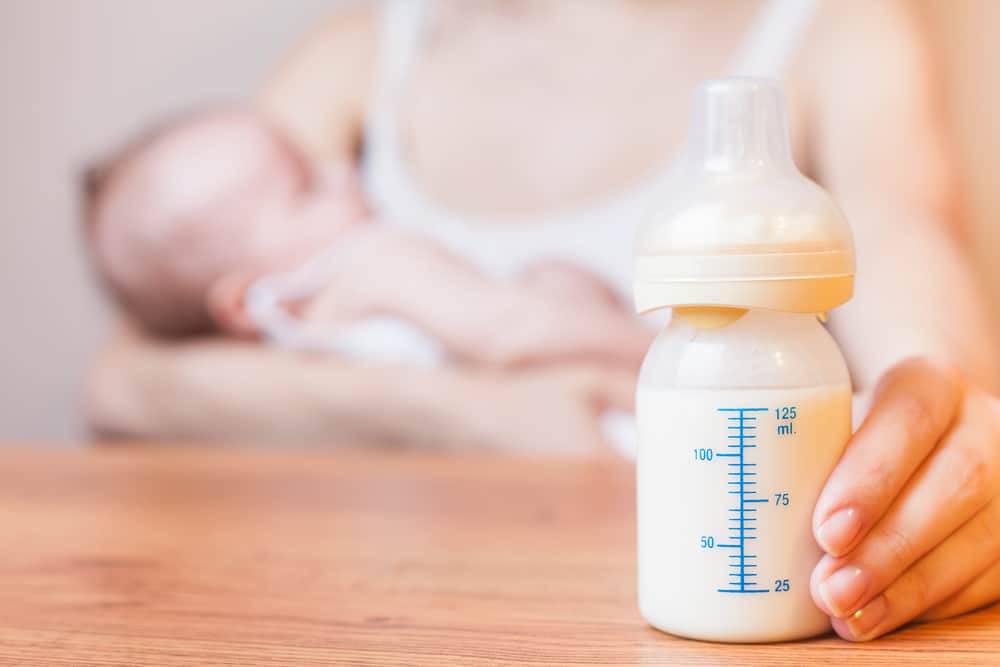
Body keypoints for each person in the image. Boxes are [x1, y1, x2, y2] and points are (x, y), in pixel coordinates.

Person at [83, 0, 1000, 641]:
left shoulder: (838, 28)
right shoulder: (358, 53)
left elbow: (933, 350)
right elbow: (129, 378)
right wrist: (474, 417)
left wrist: (949, 444)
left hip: (703, 581)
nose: (332, 185)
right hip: (390, 595)